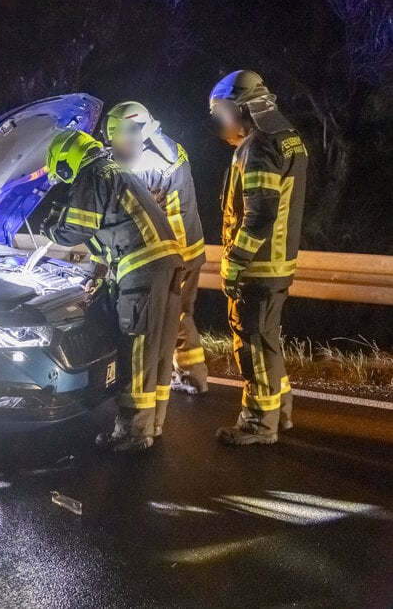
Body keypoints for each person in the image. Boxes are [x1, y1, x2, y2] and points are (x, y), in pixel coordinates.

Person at [42, 130, 183, 452]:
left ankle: (133, 433)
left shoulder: (92, 175)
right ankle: (152, 424)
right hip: (166, 263)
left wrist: (49, 225)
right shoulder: (116, 170)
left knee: (134, 348)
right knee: (156, 352)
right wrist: (100, 274)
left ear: (66, 161)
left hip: (142, 268)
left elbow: (75, 229)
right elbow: (108, 233)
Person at [208, 70, 308, 445]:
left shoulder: (257, 147)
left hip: (258, 267)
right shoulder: (288, 139)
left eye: (221, 112)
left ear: (239, 108)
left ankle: (257, 424)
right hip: (278, 263)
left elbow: (259, 215)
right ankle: (279, 413)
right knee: (267, 343)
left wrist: (234, 263)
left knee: (253, 346)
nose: (220, 123)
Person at [102, 101, 209, 395]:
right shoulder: (167, 146)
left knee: (165, 319)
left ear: (137, 131)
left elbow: (130, 211)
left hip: (173, 254)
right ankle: (193, 374)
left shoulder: (145, 165)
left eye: (120, 137)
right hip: (191, 248)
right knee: (181, 313)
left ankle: (167, 380)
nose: (116, 144)